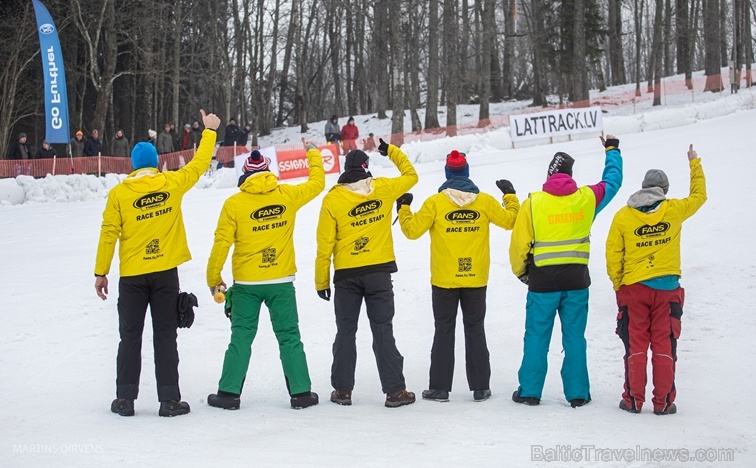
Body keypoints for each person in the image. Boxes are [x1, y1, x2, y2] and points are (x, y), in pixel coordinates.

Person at [94, 109, 220, 417]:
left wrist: (101, 272)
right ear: (156, 162)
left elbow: (108, 233)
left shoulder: (119, 194)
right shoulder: (172, 183)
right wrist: (209, 131)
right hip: (165, 273)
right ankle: (169, 400)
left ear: (133, 167)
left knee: (130, 337)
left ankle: (125, 400)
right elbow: (200, 164)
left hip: (133, 276)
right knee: (166, 336)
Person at [206, 139, 325, 411]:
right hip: (281, 282)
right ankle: (302, 393)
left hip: (247, 284)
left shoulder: (234, 204)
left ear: (245, 175)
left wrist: (214, 279)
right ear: (269, 173)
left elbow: (221, 243)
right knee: (289, 336)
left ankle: (227, 394)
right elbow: (317, 183)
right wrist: (314, 153)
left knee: (241, 337)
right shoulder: (286, 195)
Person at [397, 150, 520, 403]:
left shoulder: (435, 203)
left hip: (444, 281)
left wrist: (404, 207)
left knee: (444, 330)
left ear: (447, 173)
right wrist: (509, 196)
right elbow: (511, 221)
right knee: (475, 330)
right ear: (466, 173)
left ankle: (440, 388)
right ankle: (481, 387)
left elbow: (411, 231)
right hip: (475, 279)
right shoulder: (484, 201)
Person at [509, 135, 623, 408]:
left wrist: (522, 273)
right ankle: (578, 393)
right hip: (576, 282)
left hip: (542, 283)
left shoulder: (533, 203)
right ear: (570, 175)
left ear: (548, 175)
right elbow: (613, 183)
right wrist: (612, 151)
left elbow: (518, 246)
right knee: (574, 338)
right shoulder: (586, 198)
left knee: (537, 336)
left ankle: (530, 391)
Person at [315, 139, 418, 408]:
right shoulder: (382, 188)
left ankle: (342, 391)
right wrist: (391, 150)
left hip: (346, 275)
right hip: (378, 272)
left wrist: (321, 280)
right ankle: (395, 392)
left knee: (345, 332)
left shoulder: (333, 198)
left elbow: (324, 243)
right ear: (366, 168)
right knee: (383, 330)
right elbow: (411, 176)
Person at [606, 144, 706, 416]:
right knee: (664, 346)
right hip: (668, 291)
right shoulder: (673, 209)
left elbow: (613, 254)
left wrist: (619, 284)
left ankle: (633, 401)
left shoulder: (623, 216)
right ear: (664, 190)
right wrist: (694, 163)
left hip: (633, 289)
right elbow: (699, 196)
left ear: (643, 187)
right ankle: (663, 403)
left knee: (635, 346)